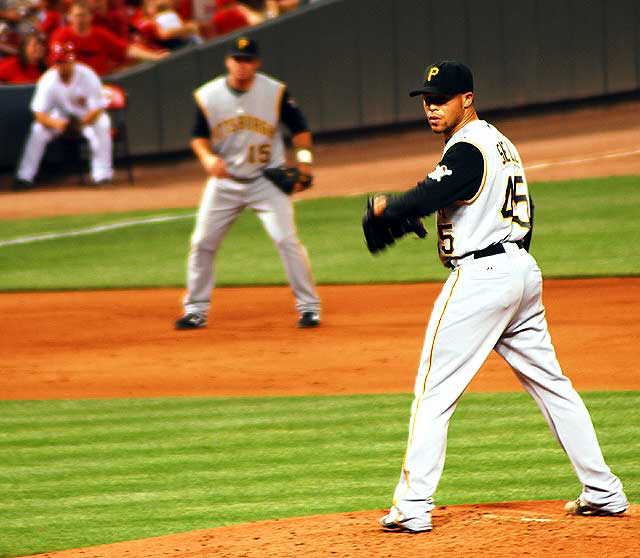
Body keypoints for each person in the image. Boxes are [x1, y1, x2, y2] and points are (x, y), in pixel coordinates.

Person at [367, 60, 628, 533]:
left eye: (440, 99)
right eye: (426, 101)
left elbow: (432, 190)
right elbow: (469, 198)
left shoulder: (468, 147)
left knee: (434, 392)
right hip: (520, 273)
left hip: (483, 278)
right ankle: (603, 491)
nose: (431, 108)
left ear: (467, 99)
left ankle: (412, 507)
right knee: (552, 385)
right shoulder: (498, 143)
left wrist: (389, 207)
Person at [175, 36, 321, 330]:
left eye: (248, 60)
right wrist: (205, 158)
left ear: (257, 63)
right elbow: (198, 135)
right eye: (237, 60)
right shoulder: (209, 95)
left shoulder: (274, 91)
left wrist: (304, 163)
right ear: (228, 62)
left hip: (267, 179)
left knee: (285, 240)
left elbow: (300, 129)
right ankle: (195, 310)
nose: (242, 66)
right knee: (202, 242)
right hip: (225, 182)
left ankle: (309, 308)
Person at [14, 41, 113, 188]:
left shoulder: (87, 75)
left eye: (67, 61)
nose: (64, 65)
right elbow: (39, 113)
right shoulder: (48, 80)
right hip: (59, 119)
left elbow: (98, 108)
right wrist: (58, 124)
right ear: (54, 63)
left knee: (103, 124)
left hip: (86, 118)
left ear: (73, 61)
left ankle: (102, 176)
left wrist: (81, 123)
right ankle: (24, 177)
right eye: (60, 62)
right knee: (38, 130)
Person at [50, 0, 167, 76]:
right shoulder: (61, 35)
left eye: (84, 15)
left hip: (102, 82)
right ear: (70, 17)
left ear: (90, 17)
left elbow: (127, 49)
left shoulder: (99, 34)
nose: (80, 19)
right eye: (77, 16)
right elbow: (57, 63)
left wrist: (154, 56)